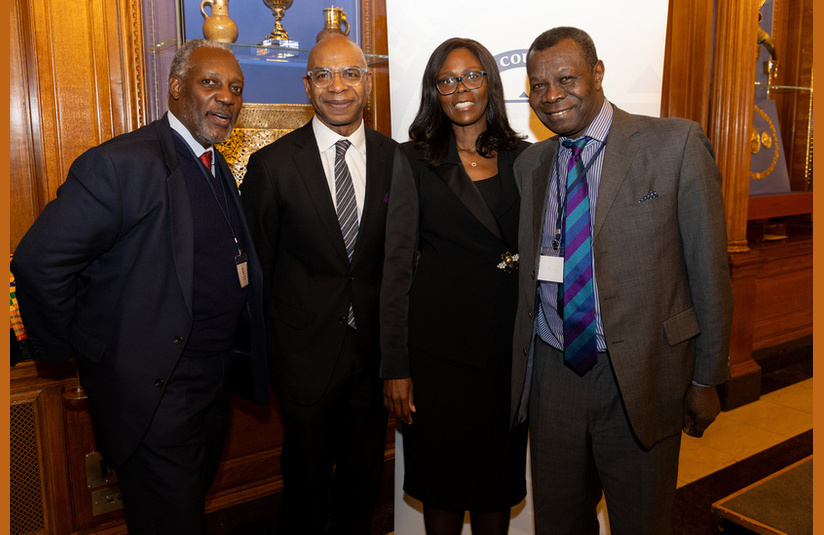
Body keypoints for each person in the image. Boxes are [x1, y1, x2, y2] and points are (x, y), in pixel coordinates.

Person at [11, 39, 268, 534]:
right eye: (210, 83)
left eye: (235, 88)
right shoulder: (121, 163)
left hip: (213, 383)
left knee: (187, 506)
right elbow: (39, 261)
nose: (227, 98)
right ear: (175, 88)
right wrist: (69, 349)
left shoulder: (214, 167)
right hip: (156, 388)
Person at [509, 26, 734, 534]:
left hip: (644, 374)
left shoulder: (674, 144)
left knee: (642, 522)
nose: (551, 95)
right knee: (559, 523)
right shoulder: (532, 165)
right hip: (554, 373)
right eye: (538, 86)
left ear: (598, 74)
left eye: (565, 78)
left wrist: (706, 378)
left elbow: (709, 271)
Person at [241, 34, 409, 534]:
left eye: (351, 74)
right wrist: (269, 359)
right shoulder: (271, 166)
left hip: (372, 361)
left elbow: (402, 262)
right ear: (307, 85)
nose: (338, 87)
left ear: (367, 82)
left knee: (362, 488)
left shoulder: (396, 159)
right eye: (324, 75)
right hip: (302, 360)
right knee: (305, 489)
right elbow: (257, 272)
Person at [381, 38, 530, 534]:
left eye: (471, 76)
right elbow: (397, 268)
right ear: (435, 93)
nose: (460, 89)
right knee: (441, 493)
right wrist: (396, 367)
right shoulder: (414, 160)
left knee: (495, 492)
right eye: (446, 80)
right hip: (437, 359)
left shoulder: (526, 160)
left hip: (506, 356)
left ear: (490, 81)